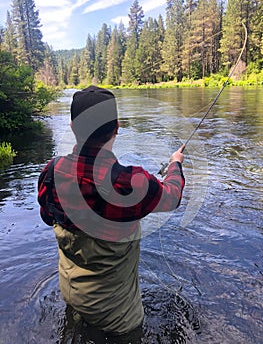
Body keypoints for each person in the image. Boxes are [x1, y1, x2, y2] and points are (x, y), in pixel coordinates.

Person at [37, 85, 185, 343]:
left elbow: (47, 217)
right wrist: (175, 164)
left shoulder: (51, 172)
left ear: (73, 127)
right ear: (117, 127)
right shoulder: (131, 183)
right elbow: (172, 197)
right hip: (119, 320)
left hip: (72, 296)